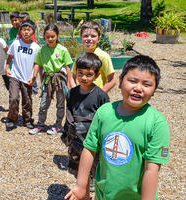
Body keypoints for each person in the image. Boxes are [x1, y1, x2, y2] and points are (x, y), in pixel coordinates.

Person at [65, 55, 170, 200]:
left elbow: (151, 169)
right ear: (120, 81)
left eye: (146, 84)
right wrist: (81, 186)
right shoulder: (104, 112)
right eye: (132, 81)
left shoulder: (157, 123)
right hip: (103, 195)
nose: (138, 88)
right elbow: (89, 149)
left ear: (154, 89)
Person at [63, 52, 109, 199]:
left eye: (88, 74)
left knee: (97, 171)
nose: (83, 78)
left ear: (96, 76)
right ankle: (86, 196)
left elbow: (106, 118)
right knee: (80, 172)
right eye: (80, 73)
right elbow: (68, 114)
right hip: (76, 139)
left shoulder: (101, 95)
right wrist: (66, 134)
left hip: (94, 141)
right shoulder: (71, 93)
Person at [28, 24, 74, 135]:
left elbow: (68, 67)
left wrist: (69, 82)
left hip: (60, 80)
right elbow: (37, 64)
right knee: (43, 104)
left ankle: (58, 125)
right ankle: (40, 124)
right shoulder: (42, 50)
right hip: (48, 80)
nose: (50, 39)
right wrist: (34, 77)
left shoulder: (62, 50)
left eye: (53, 36)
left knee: (60, 104)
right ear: (44, 37)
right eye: (47, 37)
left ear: (57, 36)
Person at [5, 20, 40, 131]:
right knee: (14, 98)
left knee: (27, 99)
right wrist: (7, 67)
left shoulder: (36, 47)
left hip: (27, 78)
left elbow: (37, 63)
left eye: (28, 30)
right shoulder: (16, 43)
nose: (26, 32)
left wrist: (34, 77)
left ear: (33, 32)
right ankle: (11, 119)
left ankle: (28, 120)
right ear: (20, 31)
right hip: (15, 75)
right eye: (24, 29)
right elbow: (10, 56)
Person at [71, 21, 116, 93]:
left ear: (99, 39)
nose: (89, 38)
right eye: (86, 36)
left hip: (97, 97)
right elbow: (72, 76)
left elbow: (112, 80)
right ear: (81, 38)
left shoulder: (103, 56)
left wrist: (100, 95)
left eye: (93, 36)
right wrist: (74, 92)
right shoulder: (79, 55)